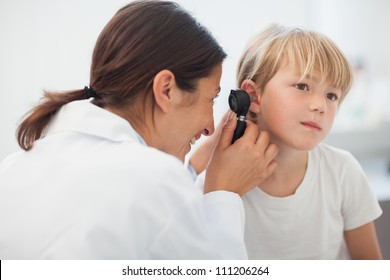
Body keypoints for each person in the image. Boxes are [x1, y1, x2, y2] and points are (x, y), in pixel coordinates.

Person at [0, 1, 279, 259]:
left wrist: (191, 172)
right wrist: (223, 193)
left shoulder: (13, 168)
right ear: (166, 89)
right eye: (211, 99)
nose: (209, 127)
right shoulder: (155, 182)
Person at [191, 24, 383, 259]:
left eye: (331, 95)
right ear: (252, 96)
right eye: (302, 86)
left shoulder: (343, 171)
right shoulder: (216, 189)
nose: (320, 105)